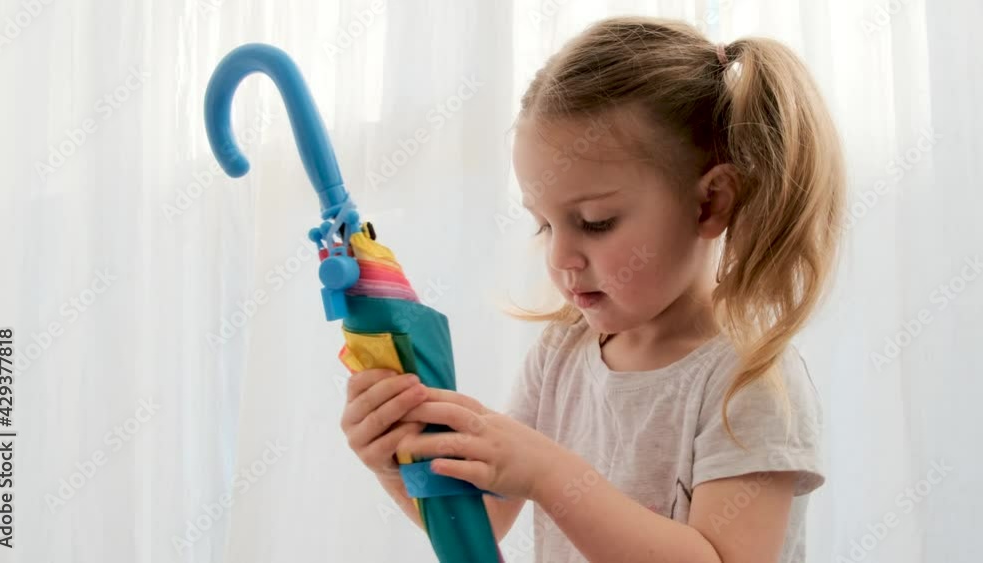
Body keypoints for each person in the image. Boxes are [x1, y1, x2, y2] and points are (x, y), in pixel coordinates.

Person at [341, 15, 843, 563]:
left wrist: (552, 475)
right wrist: (398, 464)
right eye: (544, 224)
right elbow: (483, 522)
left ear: (709, 203)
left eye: (595, 221)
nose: (560, 258)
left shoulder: (751, 383)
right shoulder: (560, 354)